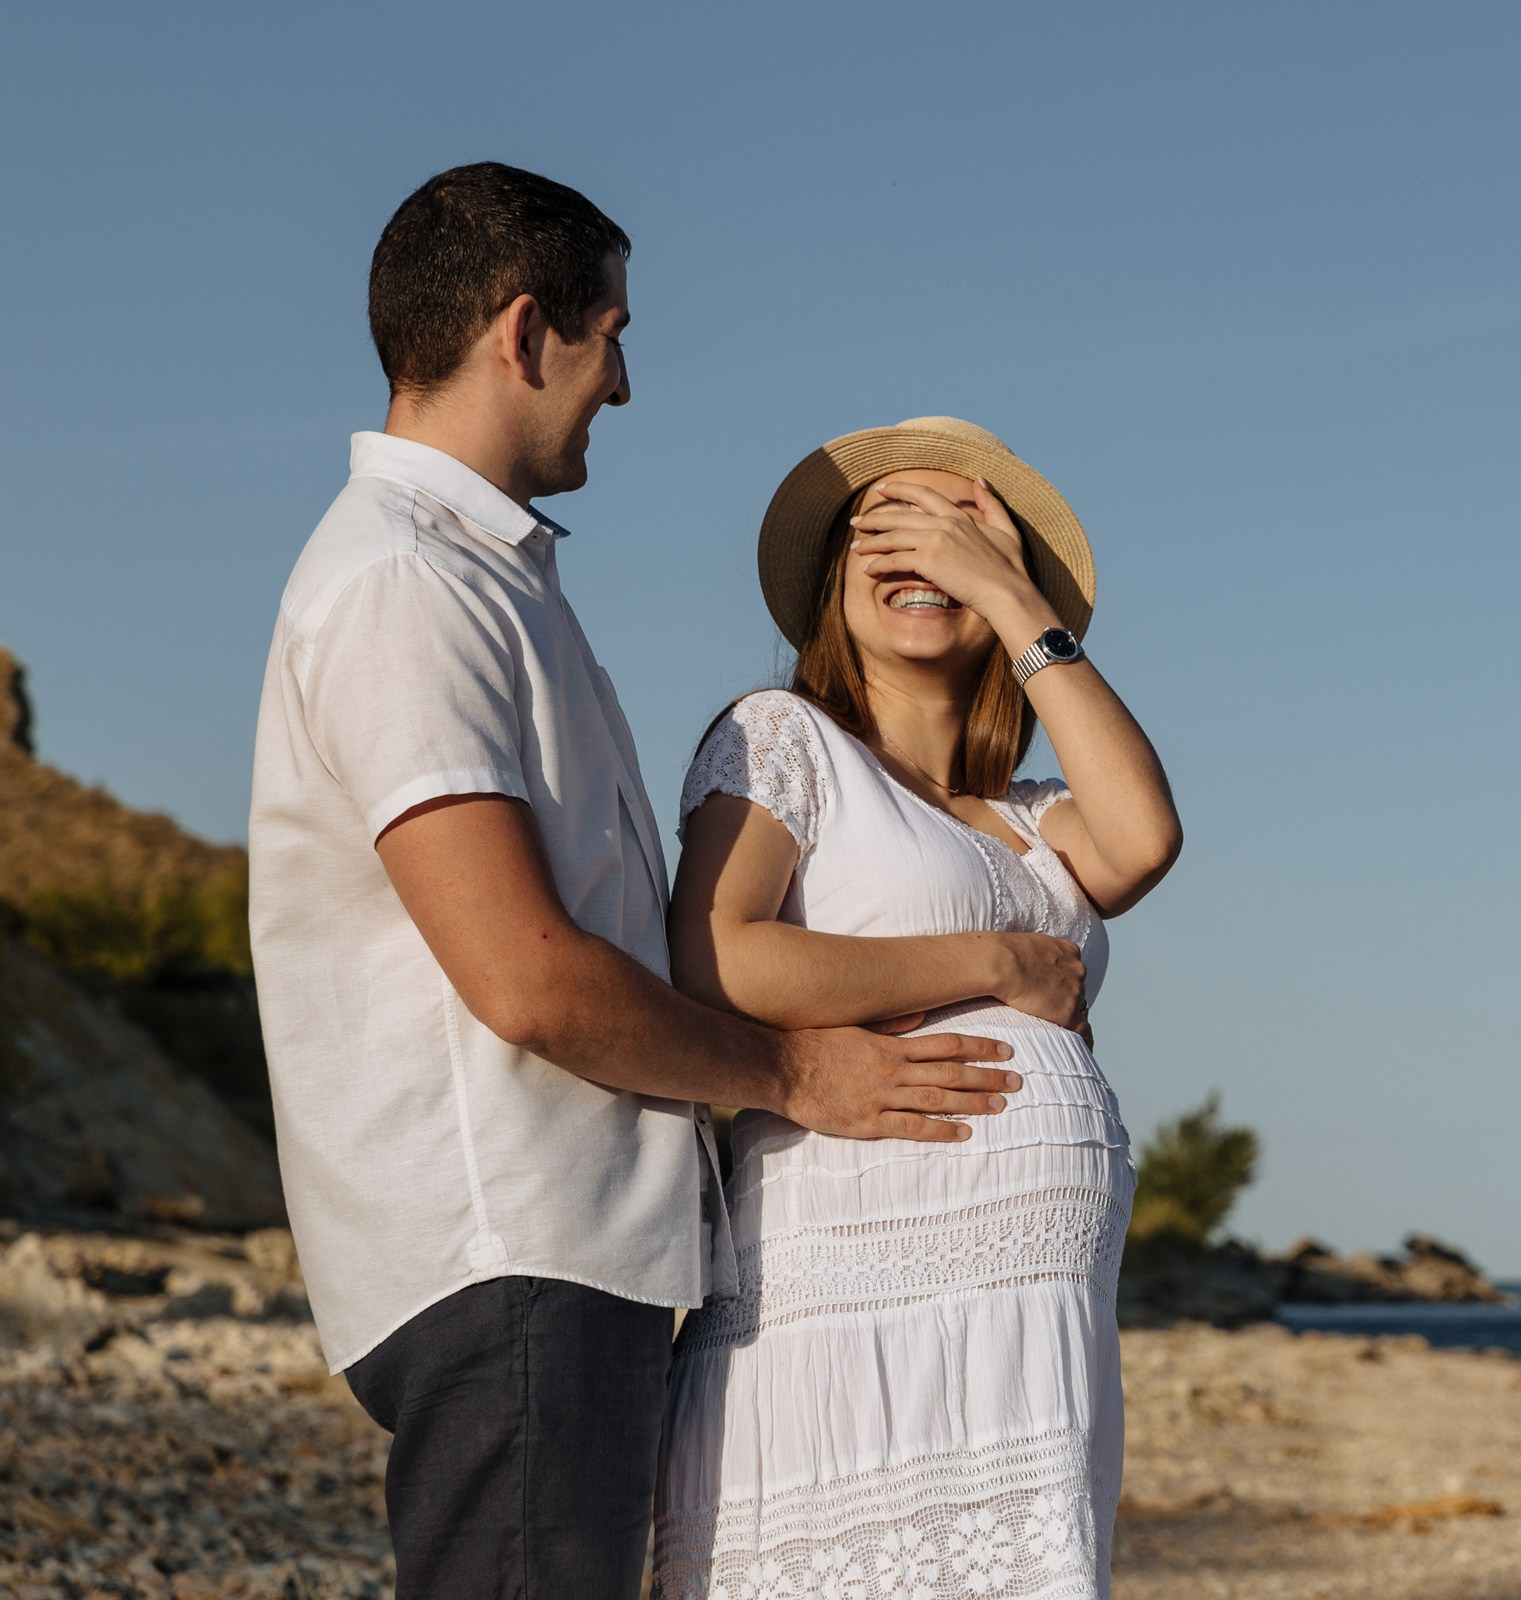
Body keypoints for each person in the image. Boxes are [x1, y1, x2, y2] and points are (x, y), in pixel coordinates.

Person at [247, 166, 1024, 1600]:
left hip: (562, 1252)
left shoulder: (490, 580)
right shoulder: (404, 584)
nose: (627, 381)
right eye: (612, 334)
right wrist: (796, 1076)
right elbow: (526, 976)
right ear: (526, 332)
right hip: (514, 1249)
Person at [651, 418, 1181, 1599]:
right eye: (881, 530)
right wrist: (992, 963)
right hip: (843, 1309)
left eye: (956, 526)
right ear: (832, 580)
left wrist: (1004, 584)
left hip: (1027, 1336)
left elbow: (1147, 838)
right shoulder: (786, 741)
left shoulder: (1039, 817)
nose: (919, 552)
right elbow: (721, 959)